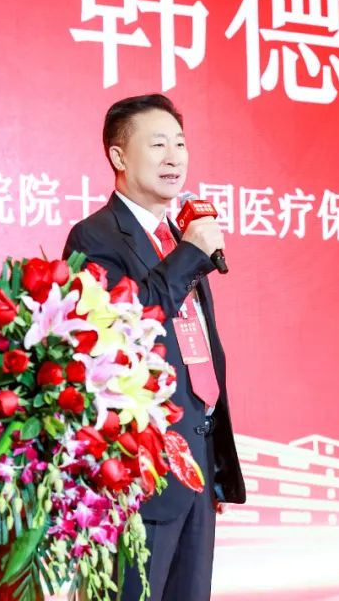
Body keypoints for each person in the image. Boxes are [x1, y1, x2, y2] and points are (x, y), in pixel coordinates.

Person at [63, 93, 246, 600]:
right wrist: (189, 255)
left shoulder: (179, 239)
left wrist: (214, 458)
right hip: (136, 473)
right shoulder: (95, 237)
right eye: (158, 144)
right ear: (119, 156)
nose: (174, 157)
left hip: (196, 465)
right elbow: (122, 327)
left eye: (180, 144)